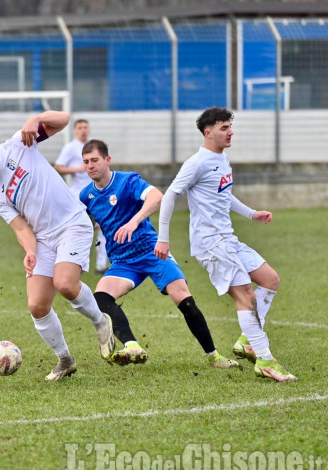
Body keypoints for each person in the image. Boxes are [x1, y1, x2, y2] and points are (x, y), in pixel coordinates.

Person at [0, 111, 115, 381]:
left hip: (72, 224)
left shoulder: (19, 144)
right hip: (42, 238)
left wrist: (35, 119)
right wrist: (30, 251)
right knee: (37, 306)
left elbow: (63, 119)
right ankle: (65, 359)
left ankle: (101, 321)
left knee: (65, 283)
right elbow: (20, 227)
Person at [154, 107, 296, 382]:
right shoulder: (197, 162)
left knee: (269, 279)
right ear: (208, 133)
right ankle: (265, 360)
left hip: (228, 238)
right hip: (210, 243)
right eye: (223, 128)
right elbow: (170, 195)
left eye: (230, 126)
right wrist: (163, 237)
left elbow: (224, 195)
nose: (230, 131)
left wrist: (251, 213)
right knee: (246, 296)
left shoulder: (223, 159)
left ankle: (247, 341)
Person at [79, 139, 238, 369]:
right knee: (101, 297)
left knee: (184, 299)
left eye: (95, 160)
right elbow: (80, 223)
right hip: (123, 261)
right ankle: (132, 345)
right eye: (86, 162)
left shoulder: (127, 181)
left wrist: (133, 222)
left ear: (107, 160)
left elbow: (157, 197)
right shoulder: (87, 195)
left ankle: (214, 356)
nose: (90, 165)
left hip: (152, 251)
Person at [54, 119, 109, 273]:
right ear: (75, 131)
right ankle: (76, 264)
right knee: (79, 231)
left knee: (103, 227)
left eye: (85, 127)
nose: (83, 130)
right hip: (78, 196)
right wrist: (76, 169)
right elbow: (58, 167)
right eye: (80, 128)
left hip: (97, 194)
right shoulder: (70, 148)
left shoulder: (93, 147)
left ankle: (101, 265)